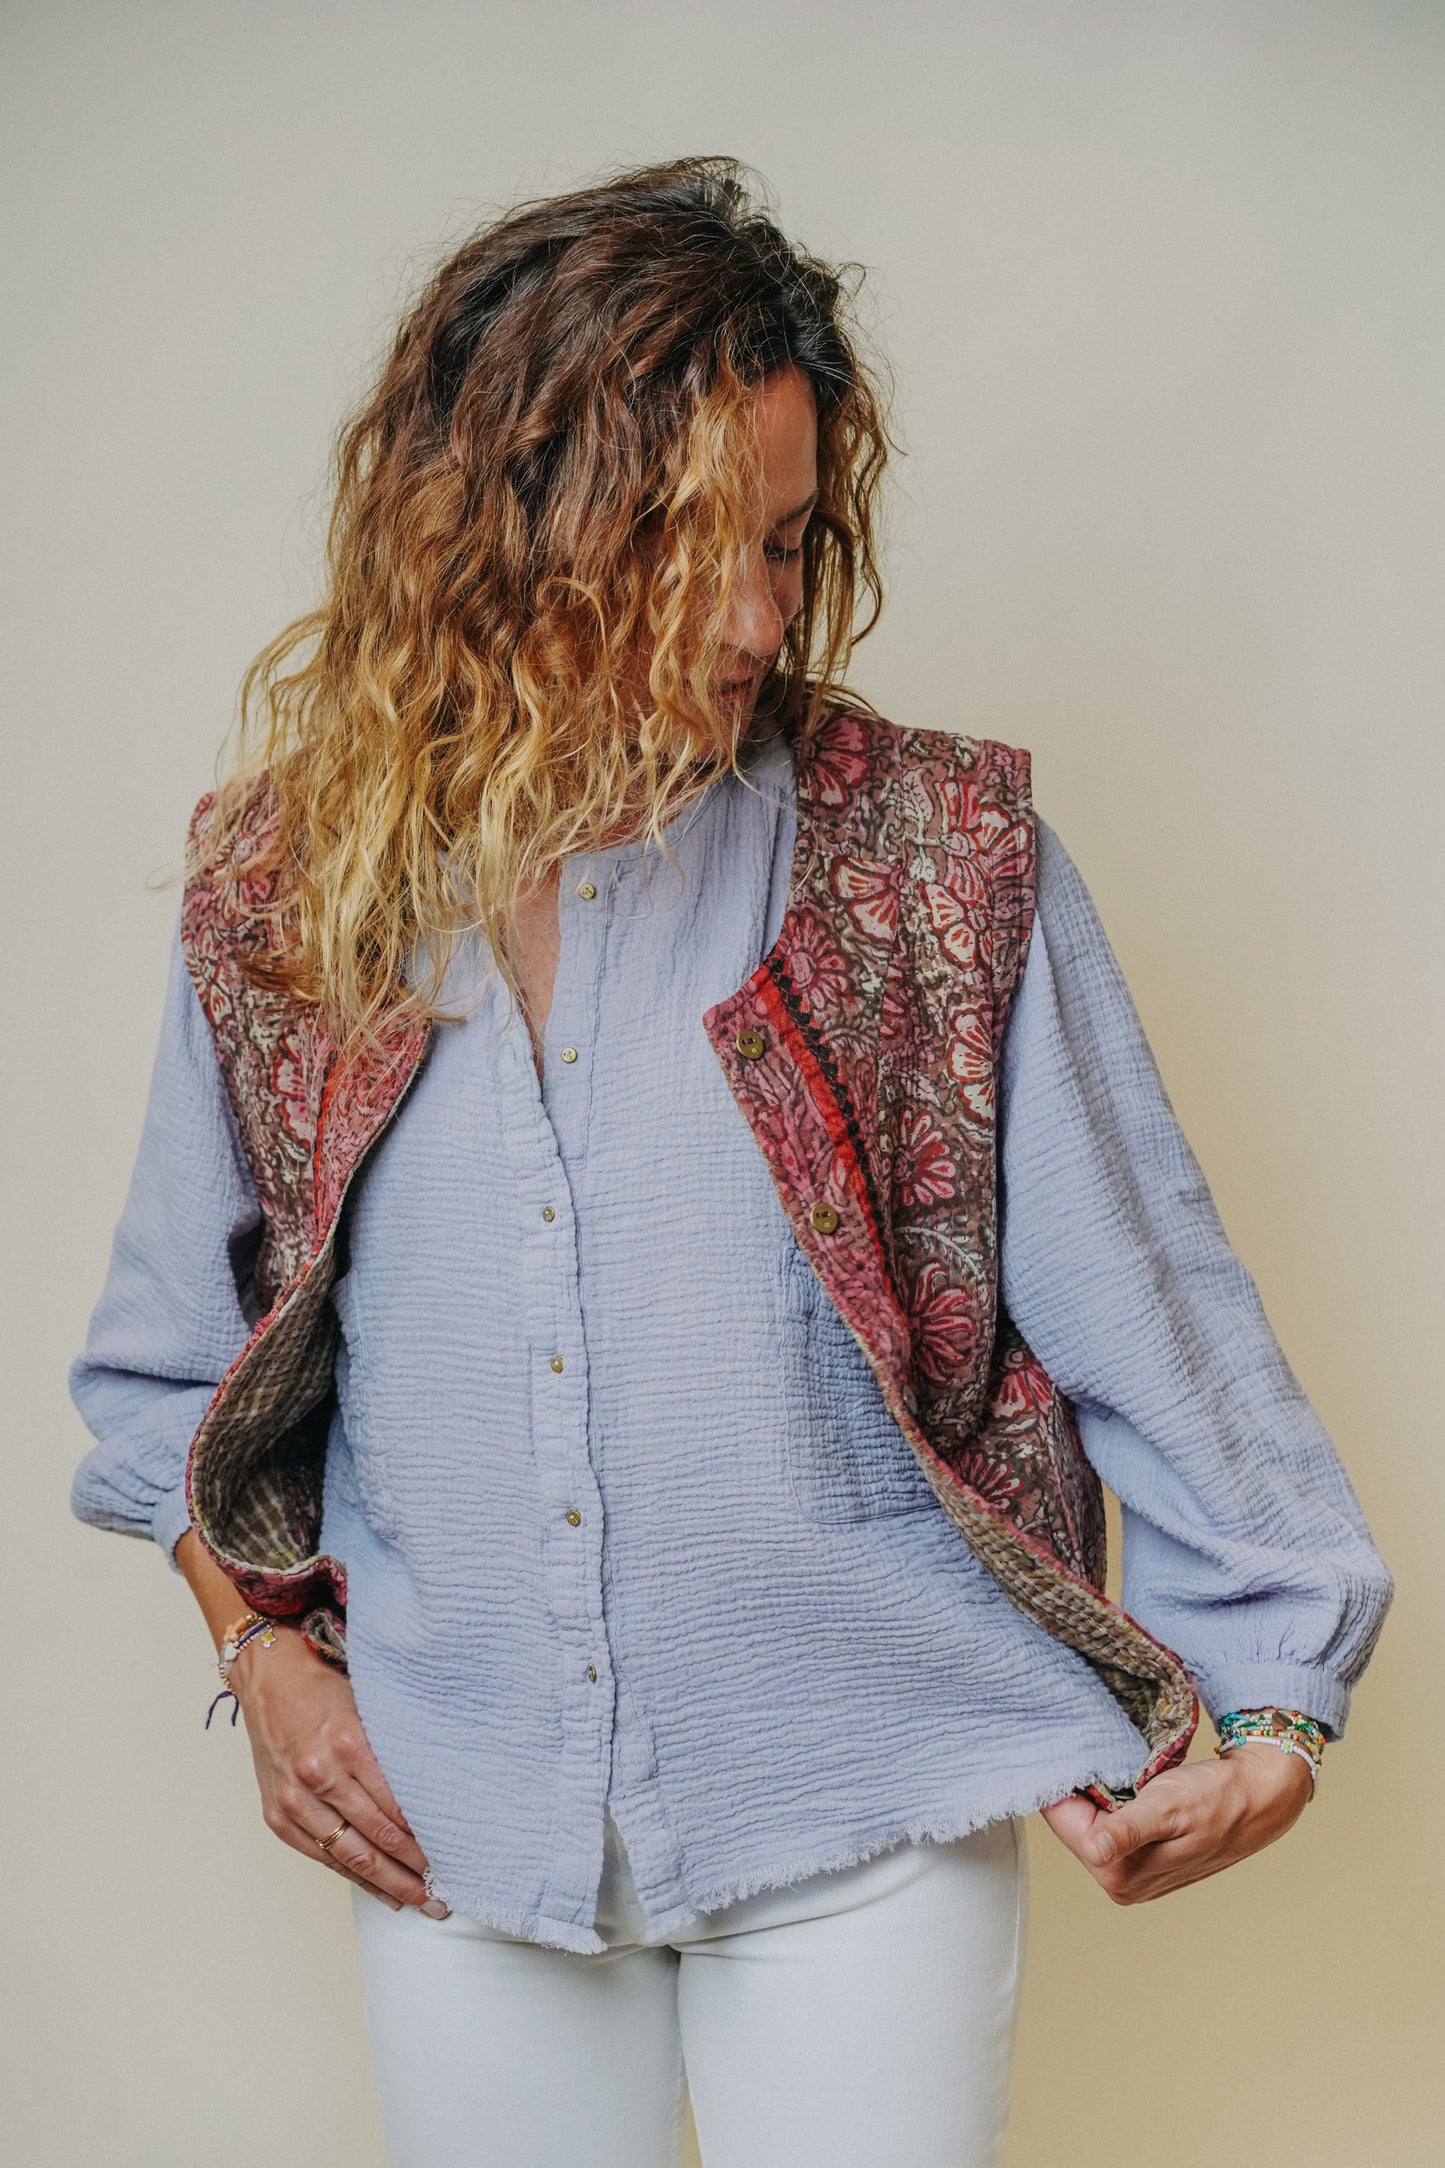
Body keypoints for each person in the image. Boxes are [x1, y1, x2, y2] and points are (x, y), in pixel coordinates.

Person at [69, 157, 1392, 2168]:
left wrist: (1279, 1703)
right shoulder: (288, 891)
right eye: (691, 552)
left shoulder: (937, 870)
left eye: (787, 544)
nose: (760, 618)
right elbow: (172, 1363)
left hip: (870, 1802)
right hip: (461, 1823)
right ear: (509, 530)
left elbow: (1155, 1301)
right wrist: (262, 1660)